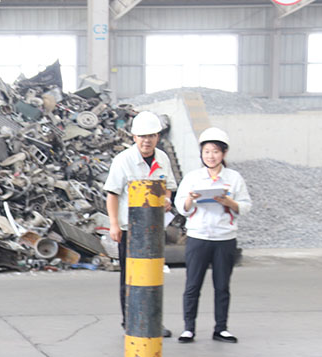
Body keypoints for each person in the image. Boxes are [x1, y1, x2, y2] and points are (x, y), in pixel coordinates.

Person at [174, 127, 252, 344]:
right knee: (192, 285)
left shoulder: (234, 178)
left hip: (224, 239)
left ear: (224, 153)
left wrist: (230, 202)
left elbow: (246, 205)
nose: (211, 156)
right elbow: (181, 207)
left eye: (216, 151)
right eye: (207, 151)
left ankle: (221, 328)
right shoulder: (193, 177)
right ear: (201, 153)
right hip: (198, 237)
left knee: (222, 286)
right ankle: (189, 329)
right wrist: (190, 199)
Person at [104, 111, 175, 336]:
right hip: (130, 230)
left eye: (151, 136)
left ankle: (152, 321)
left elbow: (168, 187)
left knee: (153, 277)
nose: (147, 141)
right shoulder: (123, 160)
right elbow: (112, 194)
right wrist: (114, 225)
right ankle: (130, 321)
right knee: (130, 278)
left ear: (158, 137)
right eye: (142, 136)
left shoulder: (162, 158)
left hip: (153, 229)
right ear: (134, 137)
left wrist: (167, 200)